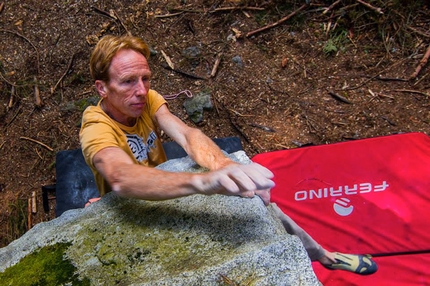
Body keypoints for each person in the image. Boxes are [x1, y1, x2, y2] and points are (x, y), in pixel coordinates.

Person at [80, 34, 377, 275]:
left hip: (168, 187)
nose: (142, 90)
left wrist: (223, 165)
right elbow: (120, 175)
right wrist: (202, 183)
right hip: (133, 210)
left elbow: (186, 134)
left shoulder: (147, 100)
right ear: (102, 88)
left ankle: (323, 256)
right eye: (128, 81)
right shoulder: (96, 126)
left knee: (259, 204)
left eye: (145, 78)